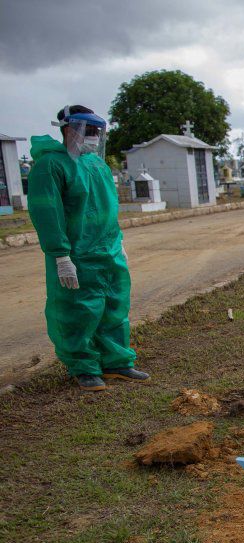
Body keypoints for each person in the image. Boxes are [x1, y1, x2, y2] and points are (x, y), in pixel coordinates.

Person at [27, 105, 149, 392]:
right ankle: (83, 367)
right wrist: (60, 256)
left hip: (108, 252)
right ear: (69, 129)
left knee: (114, 306)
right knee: (77, 310)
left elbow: (108, 209)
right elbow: (47, 213)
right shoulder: (51, 166)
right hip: (76, 255)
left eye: (97, 131)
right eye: (88, 130)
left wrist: (118, 242)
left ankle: (117, 361)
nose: (94, 137)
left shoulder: (97, 165)